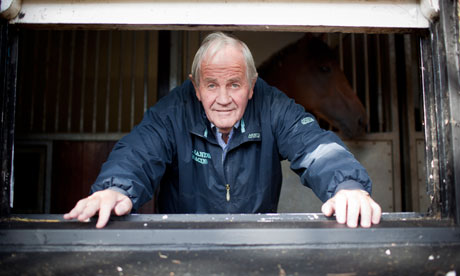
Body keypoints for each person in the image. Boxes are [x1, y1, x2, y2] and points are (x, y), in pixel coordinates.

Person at [64, 32, 381, 229]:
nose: (224, 98)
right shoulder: (174, 112)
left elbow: (315, 146)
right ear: (196, 87)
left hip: (254, 247)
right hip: (181, 249)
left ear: (252, 86)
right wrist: (115, 189)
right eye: (212, 85)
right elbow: (138, 152)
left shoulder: (272, 106)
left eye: (235, 84)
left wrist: (347, 185)